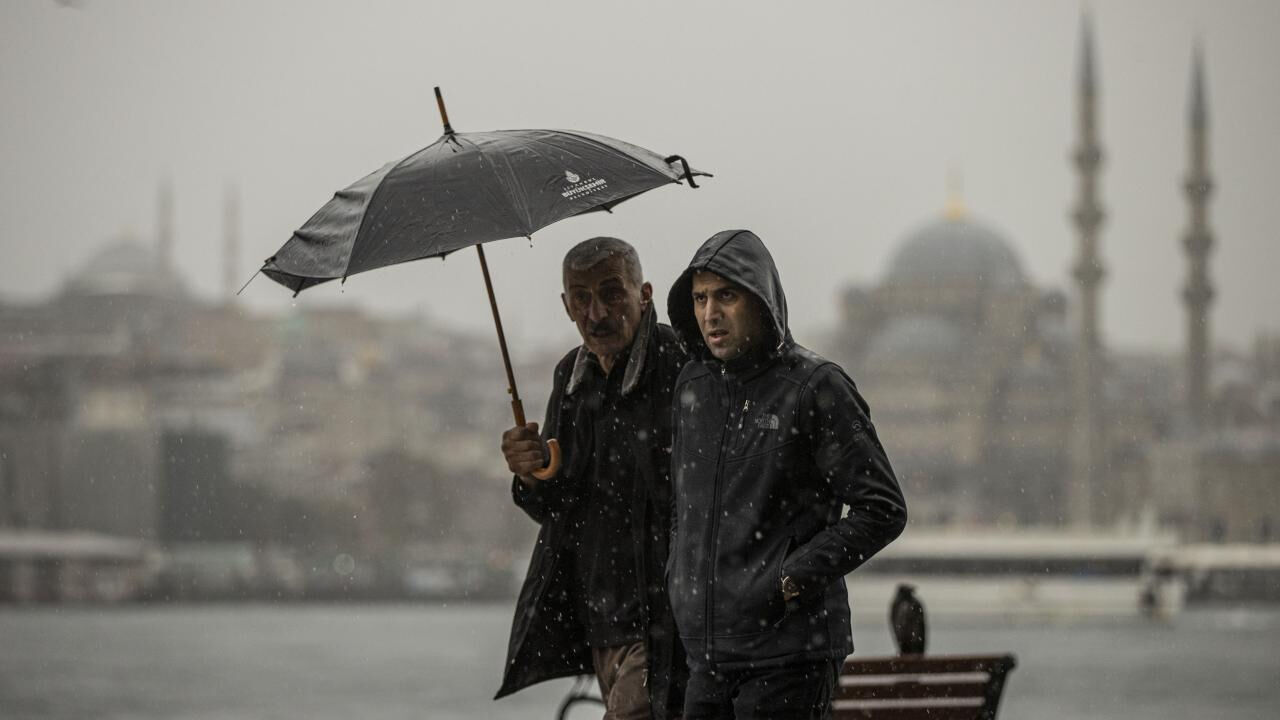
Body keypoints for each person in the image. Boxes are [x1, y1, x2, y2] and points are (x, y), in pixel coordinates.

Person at [665, 229, 908, 720]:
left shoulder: (814, 387)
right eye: (700, 298)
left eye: (726, 296)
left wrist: (789, 579)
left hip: (789, 654)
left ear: (760, 300)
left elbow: (882, 509)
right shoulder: (693, 386)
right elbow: (684, 506)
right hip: (708, 656)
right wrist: (679, 574)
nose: (710, 313)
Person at [495, 237, 688, 720]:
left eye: (611, 293)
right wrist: (532, 472)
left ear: (644, 294)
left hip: (666, 615)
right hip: (601, 617)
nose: (596, 313)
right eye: (581, 298)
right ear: (566, 306)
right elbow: (553, 505)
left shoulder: (679, 363)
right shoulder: (571, 377)